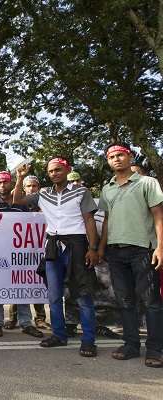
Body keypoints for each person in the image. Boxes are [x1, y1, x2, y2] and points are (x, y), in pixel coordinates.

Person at [13, 158, 99, 357]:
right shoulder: (43, 194)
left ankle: (88, 340)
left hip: (77, 245)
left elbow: (89, 220)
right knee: (53, 295)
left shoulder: (81, 191)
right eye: (51, 171)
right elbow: (17, 200)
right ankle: (59, 335)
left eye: (58, 170)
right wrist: (20, 178)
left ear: (67, 170)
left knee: (83, 295)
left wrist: (92, 248)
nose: (54, 174)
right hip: (53, 246)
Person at [97, 142, 163, 368]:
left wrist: (160, 247)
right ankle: (131, 345)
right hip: (115, 252)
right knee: (125, 301)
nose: (116, 159)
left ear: (130, 156)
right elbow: (106, 220)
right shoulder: (107, 188)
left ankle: (155, 350)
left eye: (120, 155)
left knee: (151, 301)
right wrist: (101, 248)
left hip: (143, 250)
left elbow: (158, 215)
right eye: (111, 156)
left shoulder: (147, 182)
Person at [0, 171, 43, 338]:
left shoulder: (22, 204)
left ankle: (26, 323)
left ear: (11, 184)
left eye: (5, 182)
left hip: (19, 253)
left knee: (21, 286)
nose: (2, 185)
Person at [8, 175, 49, 330]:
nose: (31, 189)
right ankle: (13, 317)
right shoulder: (18, 205)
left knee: (38, 281)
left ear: (38, 188)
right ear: (23, 188)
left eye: (34, 186)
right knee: (18, 282)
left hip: (39, 249)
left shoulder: (44, 203)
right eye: (28, 186)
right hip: (19, 250)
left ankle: (40, 318)